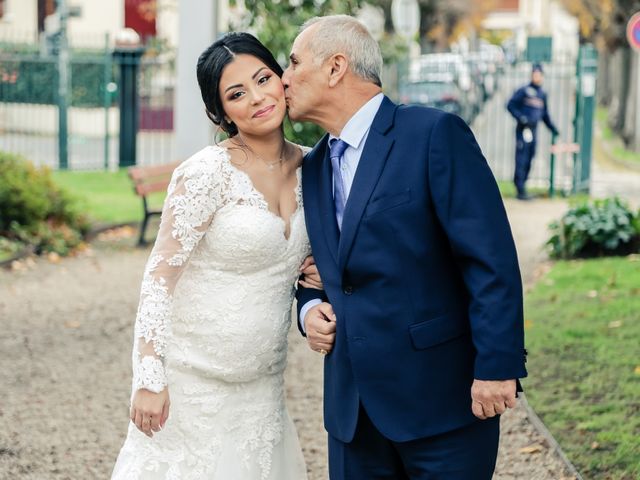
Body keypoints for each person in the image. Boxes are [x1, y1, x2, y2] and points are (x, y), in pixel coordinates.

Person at [284, 15, 527, 479]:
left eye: (294, 63)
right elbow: (315, 266)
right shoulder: (312, 168)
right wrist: (309, 307)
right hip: (352, 415)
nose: (284, 77)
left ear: (336, 68)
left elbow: (489, 260)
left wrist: (497, 365)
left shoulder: (434, 135)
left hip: (440, 403)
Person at [111, 32, 322, 479]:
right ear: (219, 111)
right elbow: (159, 280)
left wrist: (320, 275)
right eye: (237, 93)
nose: (258, 97)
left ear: (282, 78)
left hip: (262, 389)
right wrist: (149, 378)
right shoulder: (207, 173)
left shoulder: (316, 168)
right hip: (192, 388)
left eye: (263, 78)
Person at [507, 63, 559, 200]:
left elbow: (544, 114)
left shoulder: (542, 94)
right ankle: (519, 189)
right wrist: (521, 118)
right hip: (523, 130)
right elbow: (510, 105)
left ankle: (523, 185)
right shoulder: (524, 91)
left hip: (534, 131)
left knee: (530, 158)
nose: (536, 77)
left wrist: (552, 128)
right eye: (534, 74)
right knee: (521, 159)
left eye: (539, 74)